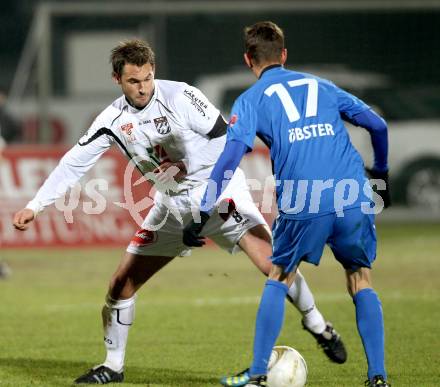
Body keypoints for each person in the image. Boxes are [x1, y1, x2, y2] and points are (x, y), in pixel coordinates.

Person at [13, 39, 346, 385]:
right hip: (172, 206)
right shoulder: (112, 120)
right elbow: (73, 164)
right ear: (117, 80)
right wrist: (35, 206)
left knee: (274, 265)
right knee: (121, 284)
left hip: (218, 193)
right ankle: (113, 366)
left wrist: (205, 201)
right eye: (133, 81)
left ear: (153, 71)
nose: (143, 88)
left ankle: (317, 324)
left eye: (147, 78)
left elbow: (227, 139)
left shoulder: (181, 97)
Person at [183, 22, 391, 387]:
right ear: (284, 55)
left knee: (279, 276)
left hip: (304, 199)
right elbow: (378, 126)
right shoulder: (322, 86)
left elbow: (230, 158)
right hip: (352, 193)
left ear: (249, 60)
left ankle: (259, 373)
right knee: (360, 277)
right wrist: (382, 175)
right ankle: (378, 377)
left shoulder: (250, 100)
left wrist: (203, 210)